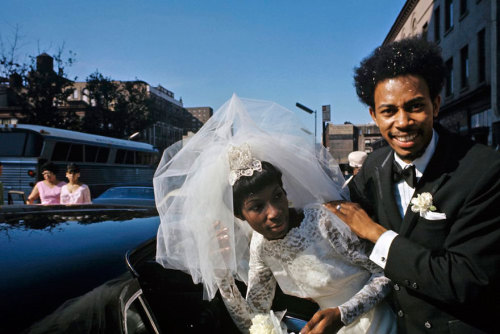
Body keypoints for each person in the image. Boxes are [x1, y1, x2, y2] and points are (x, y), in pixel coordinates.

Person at [153, 95, 396, 334]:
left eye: (277, 196)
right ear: (240, 215)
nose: (274, 212)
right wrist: (223, 274)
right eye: (257, 207)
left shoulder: (321, 221)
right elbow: (254, 318)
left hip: (377, 323)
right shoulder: (260, 247)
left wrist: (342, 313)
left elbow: (384, 275)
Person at [325, 37, 500, 333]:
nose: (402, 122)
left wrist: (376, 234)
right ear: (374, 115)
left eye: (415, 106)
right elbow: (337, 224)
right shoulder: (374, 166)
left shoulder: (484, 171)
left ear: (436, 104)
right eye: (389, 111)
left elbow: (466, 279)